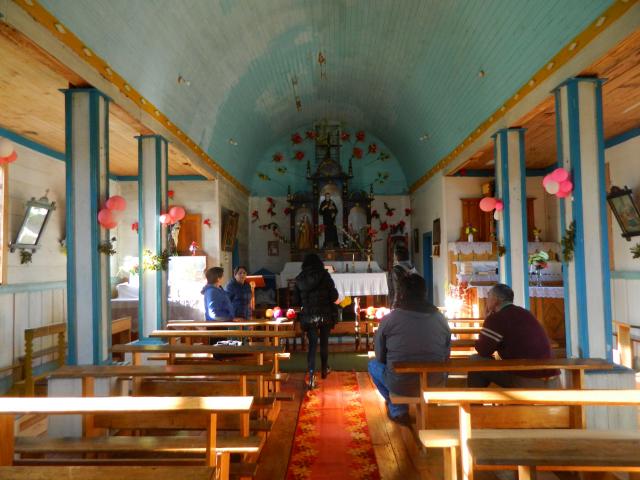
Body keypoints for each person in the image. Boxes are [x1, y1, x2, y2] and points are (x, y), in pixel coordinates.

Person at [368, 274, 451, 425]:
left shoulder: (390, 319)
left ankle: (398, 409)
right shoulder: (440, 318)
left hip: (400, 383)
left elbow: (379, 356)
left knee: (373, 365)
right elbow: (446, 354)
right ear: (424, 293)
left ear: (401, 294)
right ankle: (430, 410)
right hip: (434, 381)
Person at [467, 283, 561, 388]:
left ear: (496, 299)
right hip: (553, 381)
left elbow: (483, 350)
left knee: (475, 360)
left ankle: (475, 403)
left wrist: (487, 321)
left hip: (530, 381)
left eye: (489, 295)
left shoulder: (497, 318)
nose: (486, 299)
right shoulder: (525, 313)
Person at [294, 253, 339, 389]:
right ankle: (324, 370)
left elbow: (296, 301)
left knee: (312, 345)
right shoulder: (325, 276)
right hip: (325, 314)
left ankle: (312, 375)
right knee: (324, 343)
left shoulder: (300, 279)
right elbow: (334, 296)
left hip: (308, 316)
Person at [387, 243, 418, 309]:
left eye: (394, 255)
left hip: (401, 305)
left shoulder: (396, 270)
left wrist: (394, 306)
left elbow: (397, 290)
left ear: (396, 257)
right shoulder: (412, 267)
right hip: (413, 303)